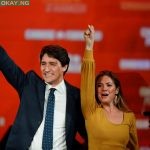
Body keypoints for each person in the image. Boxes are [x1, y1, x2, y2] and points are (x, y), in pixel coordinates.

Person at [0, 44, 87, 150]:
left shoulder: (75, 97)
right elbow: (6, 64)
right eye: (43, 64)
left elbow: (90, 135)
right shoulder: (30, 85)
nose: (46, 69)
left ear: (64, 67)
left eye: (52, 64)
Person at [80, 25, 139, 150]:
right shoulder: (91, 111)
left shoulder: (129, 117)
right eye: (99, 86)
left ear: (116, 90)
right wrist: (89, 46)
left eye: (109, 85)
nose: (104, 89)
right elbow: (87, 80)